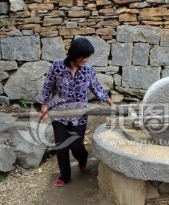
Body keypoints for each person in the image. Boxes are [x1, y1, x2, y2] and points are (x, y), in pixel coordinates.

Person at [39, 37, 115, 187]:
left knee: (76, 147)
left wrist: (110, 102)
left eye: (88, 57)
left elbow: (96, 86)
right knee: (61, 148)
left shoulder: (88, 69)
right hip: (59, 114)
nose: (86, 59)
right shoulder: (57, 67)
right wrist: (44, 106)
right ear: (74, 54)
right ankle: (65, 176)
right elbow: (48, 86)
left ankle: (83, 157)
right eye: (84, 56)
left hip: (79, 115)